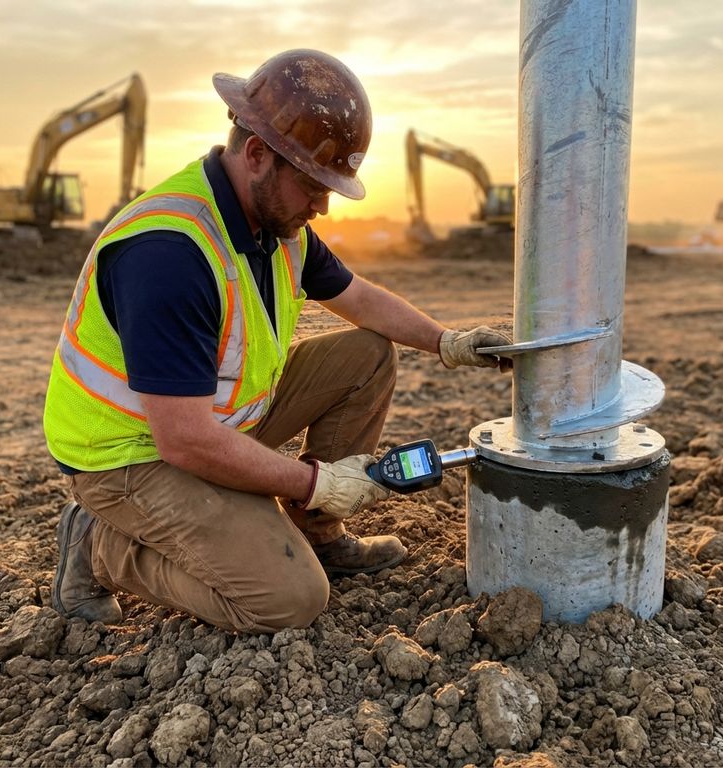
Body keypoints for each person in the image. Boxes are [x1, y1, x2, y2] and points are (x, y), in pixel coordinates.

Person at [42, 49, 511, 634]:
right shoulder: (168, 254)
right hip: (133, 456)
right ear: (258, 154)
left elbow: (359, 299)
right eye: (314, 185)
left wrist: (449, 342)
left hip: (218, 422)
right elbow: (185, 442)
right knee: (287, 600)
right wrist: (322, 483)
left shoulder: (279, 223)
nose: (323, 206)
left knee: (366, 354)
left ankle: (321, 533)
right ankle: (98, 545)